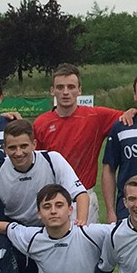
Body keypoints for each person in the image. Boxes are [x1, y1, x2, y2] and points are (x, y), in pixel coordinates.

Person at [33, 64, 129, 223]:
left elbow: (133, 118)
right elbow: (36, 165)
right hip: (52, 201)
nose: (65, 92)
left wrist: (134, 111)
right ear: (52, 91)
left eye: (71, 87)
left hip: (85, 198)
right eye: (60, 87)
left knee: (85, 239)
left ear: (79, 90)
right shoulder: (41, 123)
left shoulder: (95, 116)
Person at [0, 120, 91, 230]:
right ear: (4, 148)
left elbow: (81, 194)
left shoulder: (52, 160)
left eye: (24, 146)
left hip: (49, 226)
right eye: (12, 148)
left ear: (34, 144)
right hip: (15, 229)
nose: (19, 153)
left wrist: (80, 225)